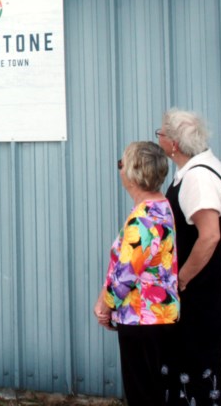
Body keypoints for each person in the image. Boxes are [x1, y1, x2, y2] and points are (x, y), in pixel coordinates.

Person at [94, 141, 179, 406]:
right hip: (159, 315)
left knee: (142, 393)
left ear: (133, 172)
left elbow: (125, 275)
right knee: (155, 391)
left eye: (121, 164)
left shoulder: (142, 219)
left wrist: (104, 306)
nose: (120, 170)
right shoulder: (162, 207)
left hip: (141, 318)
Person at [156, 109, 221, 406]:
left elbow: (210, 235)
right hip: (194, 292)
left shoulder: (198, 178)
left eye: (160, 133)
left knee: (194, 361)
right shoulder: (193, 170)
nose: (158, 137)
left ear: (174, 144)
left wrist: (182, 279)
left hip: (196, 293)